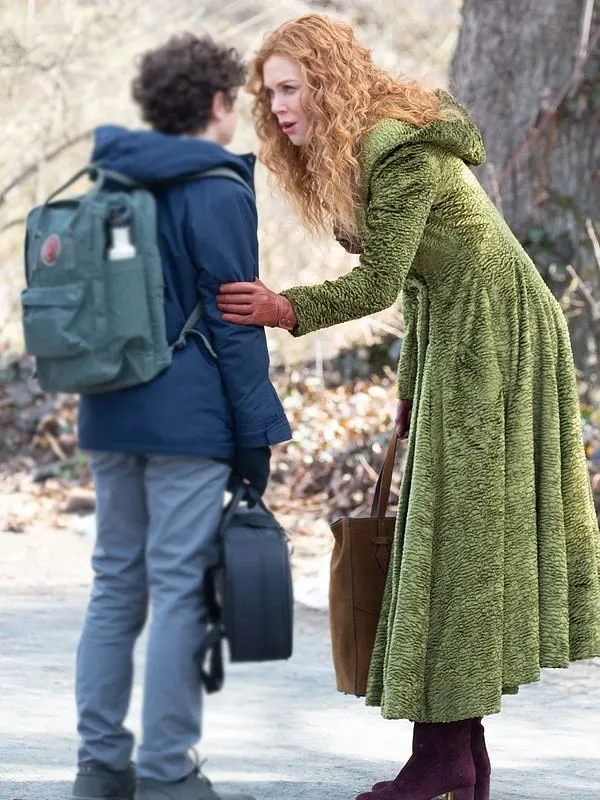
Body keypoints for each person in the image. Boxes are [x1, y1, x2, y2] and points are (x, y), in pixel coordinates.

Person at [216, 13, 600, 800]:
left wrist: (282, 307)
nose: (280, 106)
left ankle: (442, 760)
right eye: (270, 93)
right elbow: (426, 286)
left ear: (328, 80)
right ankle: (462, 759)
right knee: (455, 541)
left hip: (498, 338)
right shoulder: (367, 153)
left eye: (292, 87)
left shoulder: (398, 149)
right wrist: (408, 394)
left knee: (454, 541)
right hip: (460, 333)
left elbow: (379, 285)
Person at [71, 33, 291, 800]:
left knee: (114, 585)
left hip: (107, 409)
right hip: (187, 420)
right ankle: (168, 772)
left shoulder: (105, 180)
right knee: (177, 588)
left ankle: (100, 767)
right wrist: (256, 435)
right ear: (217, 104)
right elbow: (235, 323)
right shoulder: (218, 186)